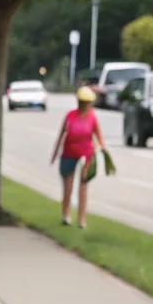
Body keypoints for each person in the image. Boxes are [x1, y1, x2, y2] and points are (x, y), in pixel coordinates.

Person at [51, 85, 107, 229]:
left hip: (86, 155)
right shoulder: (70, 116)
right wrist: (55, 153)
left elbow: (98, 135)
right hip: (69, 153)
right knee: (68, 187)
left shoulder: (92, 117)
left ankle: (82, 219)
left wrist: (103, 150)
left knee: (83, 188)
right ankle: (66, 214)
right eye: (82, 101)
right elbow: (61, 135)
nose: (84, 105)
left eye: (87, 102)